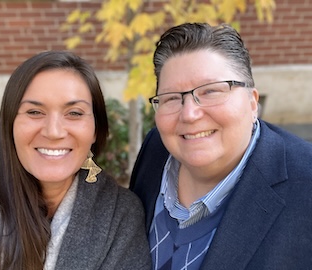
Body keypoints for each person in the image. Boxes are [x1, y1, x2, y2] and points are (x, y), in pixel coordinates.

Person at [130, 22, 312, 270]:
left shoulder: (306, 185)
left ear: (252, 102)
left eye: (211, 91)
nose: (190, 114)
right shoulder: (156, 150)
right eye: (172, 97)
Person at [0, 50, 151, 270]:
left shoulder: (119, 215)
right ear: (9, 125)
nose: (54, 131)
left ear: (96, 129)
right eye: (35, 112)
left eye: (74, 113)